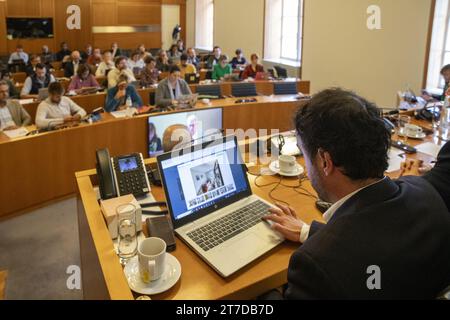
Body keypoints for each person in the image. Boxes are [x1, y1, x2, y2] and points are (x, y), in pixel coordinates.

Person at [262, 88, 450, 300]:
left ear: (325, 161)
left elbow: (351, 252)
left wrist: (266, 295)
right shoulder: (427, 195)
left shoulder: (316, 265)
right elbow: (373, 246)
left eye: (304, 154)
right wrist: (308, 232)